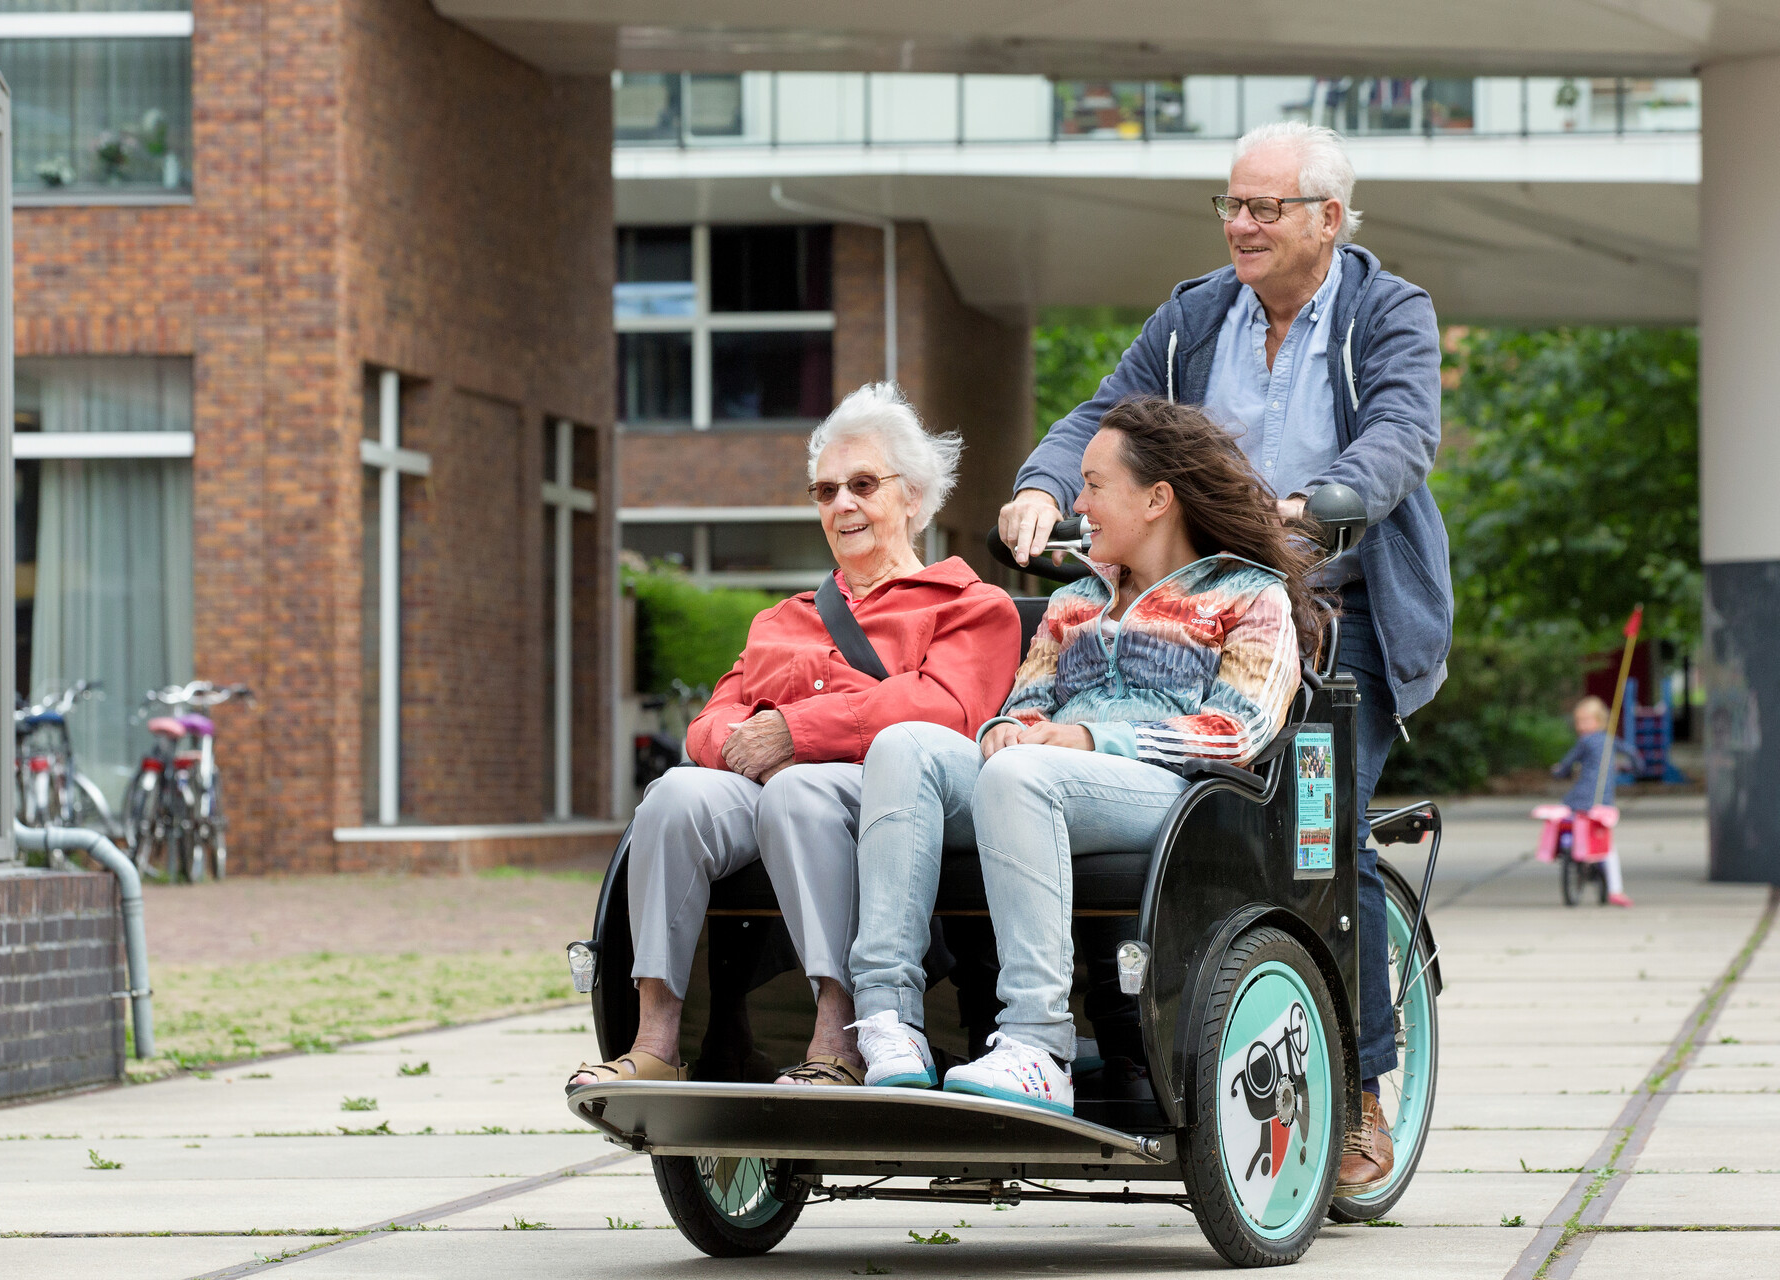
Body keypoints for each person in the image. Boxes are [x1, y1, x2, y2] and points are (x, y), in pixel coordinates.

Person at [995, 120, 1452, 1186]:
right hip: (1201, 609)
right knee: (1191, 813)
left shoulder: (1390, 311)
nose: (1240, 224)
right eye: (1232, 204)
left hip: (1342, 609)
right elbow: (1105, 413)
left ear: (1327, 219)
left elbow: (1400, 436)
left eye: (1263, 207)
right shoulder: (1195, 313)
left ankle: (1362, 1093)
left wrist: (1323, 502)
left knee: (1324, 838)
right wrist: (1044, 483)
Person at [848, 397, 1320, 1114]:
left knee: (1021, 774)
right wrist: (1008, 728)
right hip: (1044, 779)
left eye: (1094, 485)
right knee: (904, 746)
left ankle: (1039, 1044)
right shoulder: (1073, 601)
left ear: (1157, 499)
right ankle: (889, 1023)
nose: (1078, 504)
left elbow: (1241, 729)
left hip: (1178, 797)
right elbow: (1027, 700)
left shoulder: (1249, 595)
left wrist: (1094, 740)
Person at [568, 383, 1021, 1092]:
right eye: (826, 491)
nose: (842, 505)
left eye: (863, 485)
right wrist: (752, 746)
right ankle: (655, 1038)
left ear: (913, 496)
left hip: (894, 798)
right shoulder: (783, 619)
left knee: (799, 790)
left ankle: (841, 1036)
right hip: (772, 787)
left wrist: (796, 732)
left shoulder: (972, 606)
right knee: (675, 794)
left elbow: (946, 710)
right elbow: (710, 721)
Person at [1551, 696, 1641, 907]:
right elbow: (1634, 756)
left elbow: (1567, 763)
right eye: (1578, 721)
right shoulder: (1611, 740)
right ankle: (1616, 890)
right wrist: (1635, 769)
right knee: (1607, 847)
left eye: (1585, 721)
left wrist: (1559, 771)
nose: (1581, 726)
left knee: (1568, 819)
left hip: (1579, 799)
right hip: (1603, 801)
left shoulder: (1585, 742)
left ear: (1599, 721)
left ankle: (1570, 853)